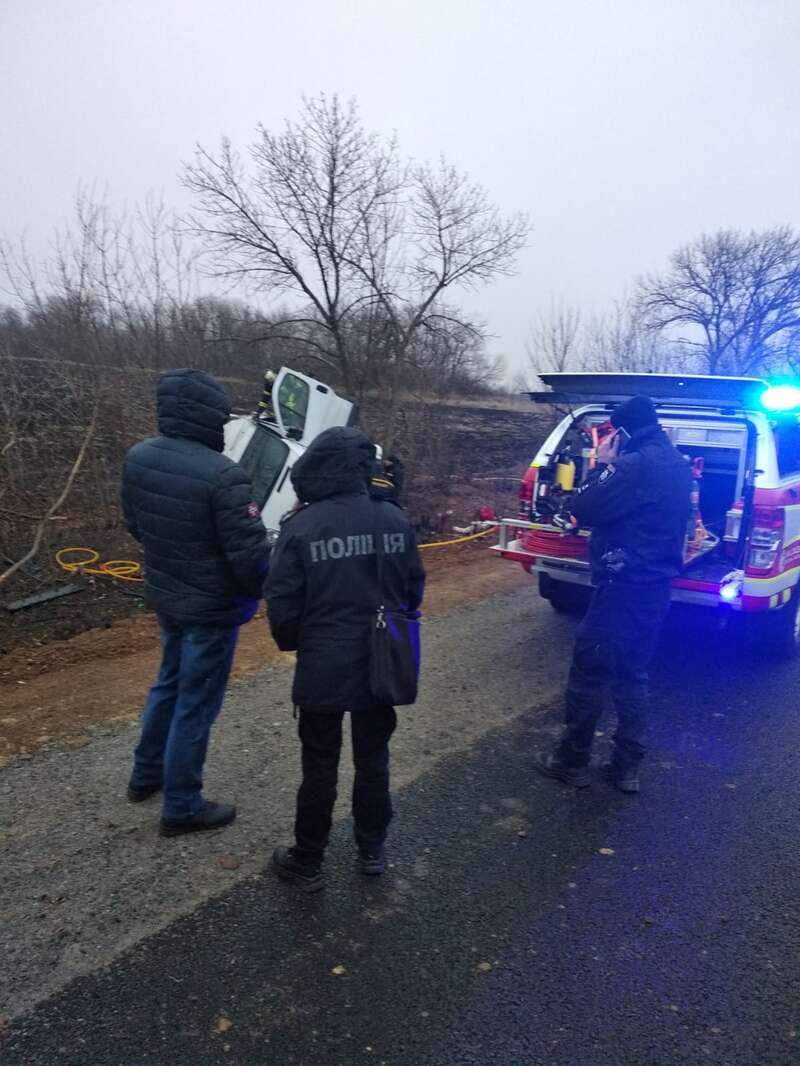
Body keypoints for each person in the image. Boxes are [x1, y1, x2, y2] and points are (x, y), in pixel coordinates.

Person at [265, 427, 425, 892]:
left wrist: (300, 642)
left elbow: (283, 607)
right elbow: (413, 590)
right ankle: (371, 849)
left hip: (323, 664)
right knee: (374, 756)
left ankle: (308, 859)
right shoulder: (395, 519)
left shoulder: (301, 526)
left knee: (319, 762)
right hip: (383, 660)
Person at [122, 369, 270, 836]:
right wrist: (262, 589)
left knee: (167, 682)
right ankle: (182, 805)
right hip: (211, 609)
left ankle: (145, 776)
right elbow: (251, 559)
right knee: (196, 702)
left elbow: (135, 524)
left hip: (167, 595)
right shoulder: (225, 475)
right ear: (211, 416)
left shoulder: (139, 457)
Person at [536, 395, 691, 794]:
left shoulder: (629, 466)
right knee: (633, 674)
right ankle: (626, 769)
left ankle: (570, 762)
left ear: (621, 432)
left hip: (621, 585)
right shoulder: (677, 463)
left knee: (589, 673)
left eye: (610, 433)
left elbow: (585, 505)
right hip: (657, 586)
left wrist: (602, 463)